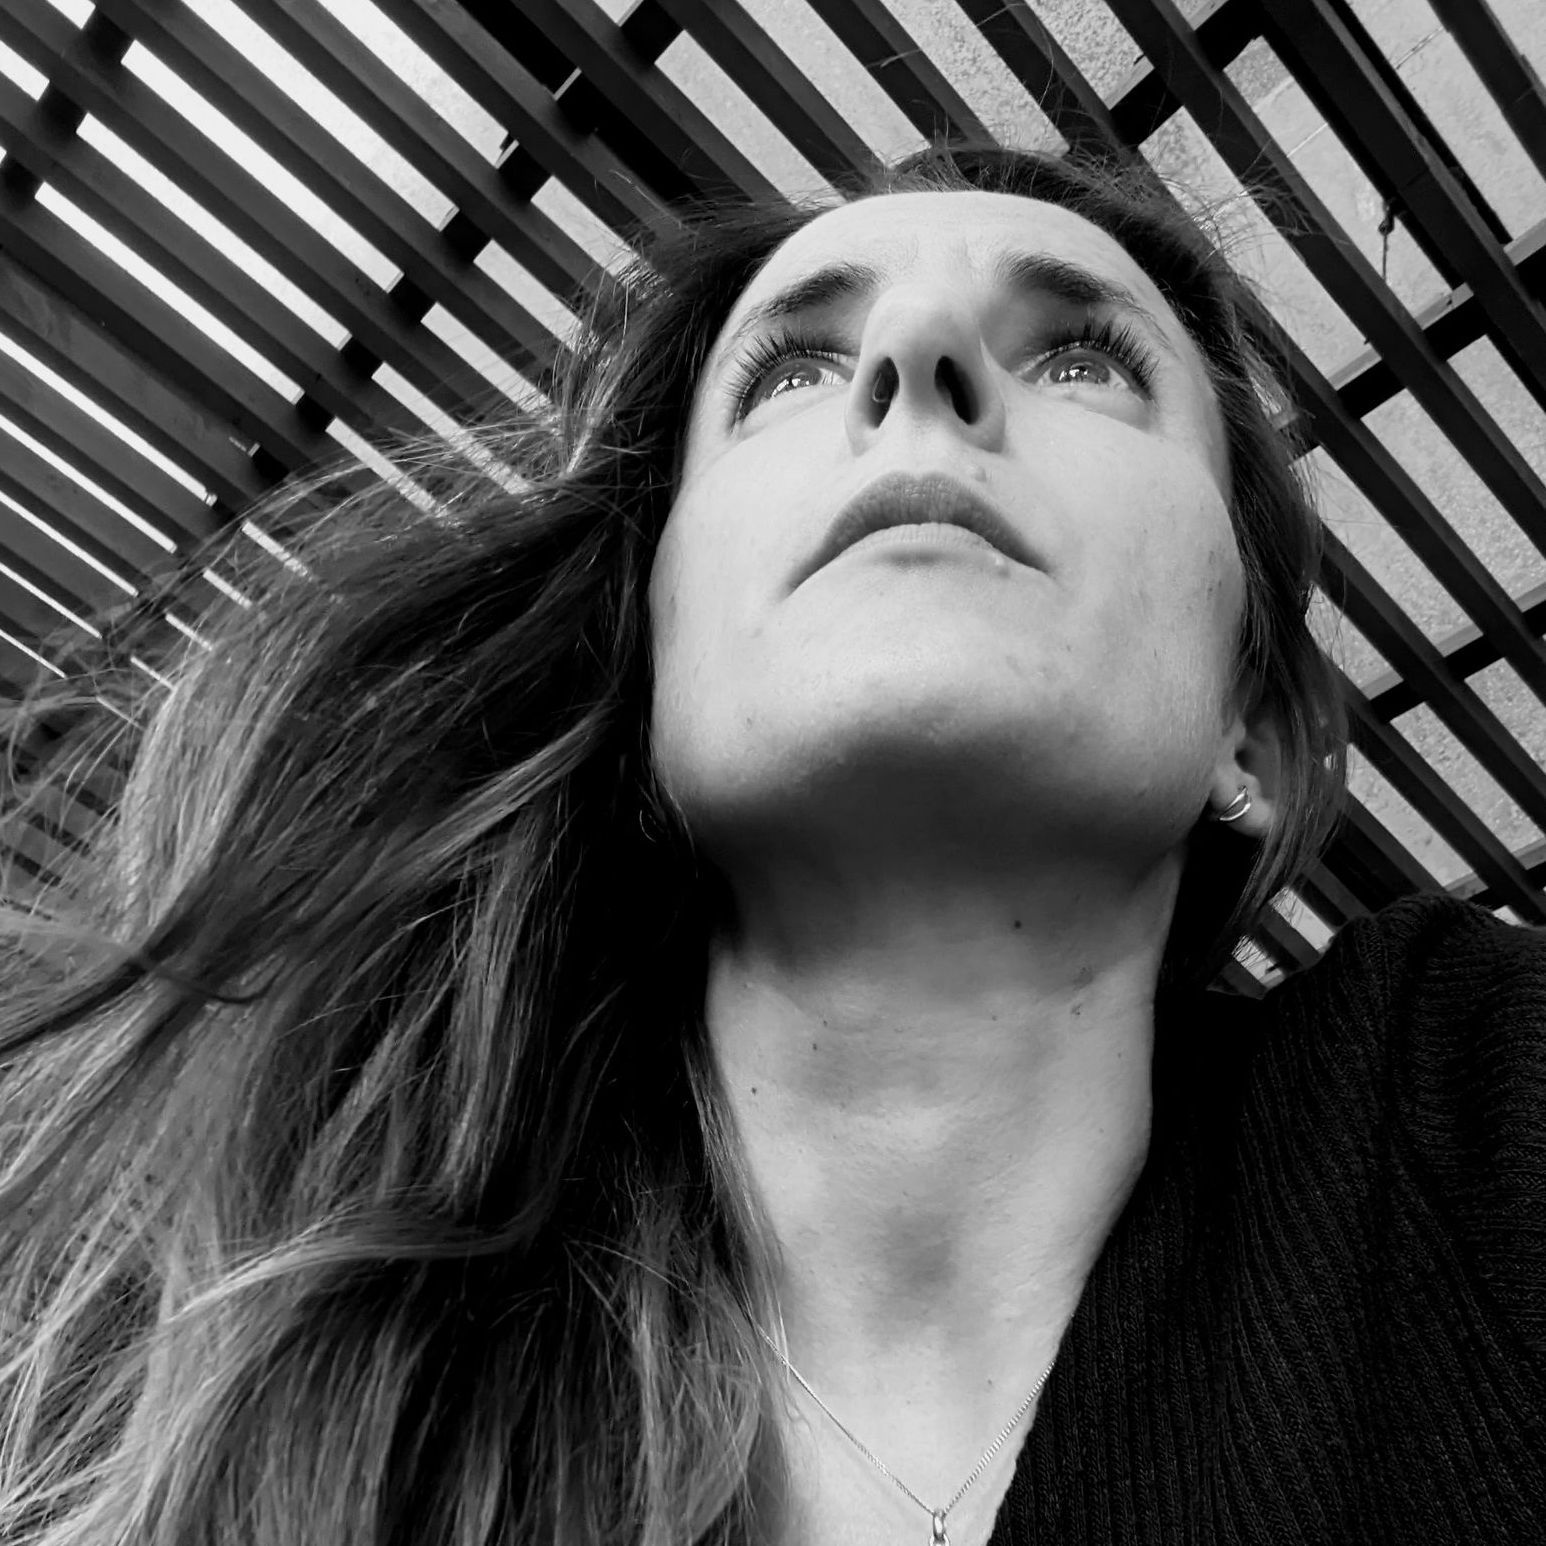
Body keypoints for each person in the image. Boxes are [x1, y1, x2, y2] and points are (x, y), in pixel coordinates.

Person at [0, 141, 1541, 1546]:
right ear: (647, 648)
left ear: (1253, 729)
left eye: (1081, 357)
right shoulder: (245, 1347)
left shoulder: (1462, 1090)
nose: (912, 355)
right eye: (791, 369)